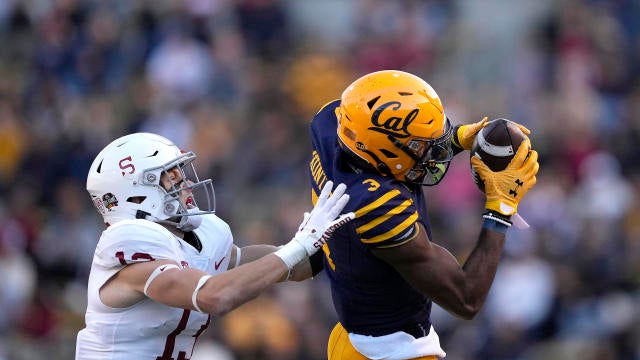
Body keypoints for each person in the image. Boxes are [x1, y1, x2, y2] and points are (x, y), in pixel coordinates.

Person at [306, 70, 539, 359]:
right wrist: (501, 206)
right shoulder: (377, 205)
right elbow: (466, 298)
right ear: (388, 152)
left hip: (348, 336)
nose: (436, 148)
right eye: (423, 144)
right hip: (392, 351)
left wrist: (453, 140)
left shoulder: (333, 124)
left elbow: (384, 142)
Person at [75, 132, 354, 359]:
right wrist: (299, 245)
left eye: (180, 174)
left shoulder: (196, 237)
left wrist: (330, 245)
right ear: (135, 197)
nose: (186, 183)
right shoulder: (131, 244)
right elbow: (215, 296)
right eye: (171, 177)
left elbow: (260, 264)